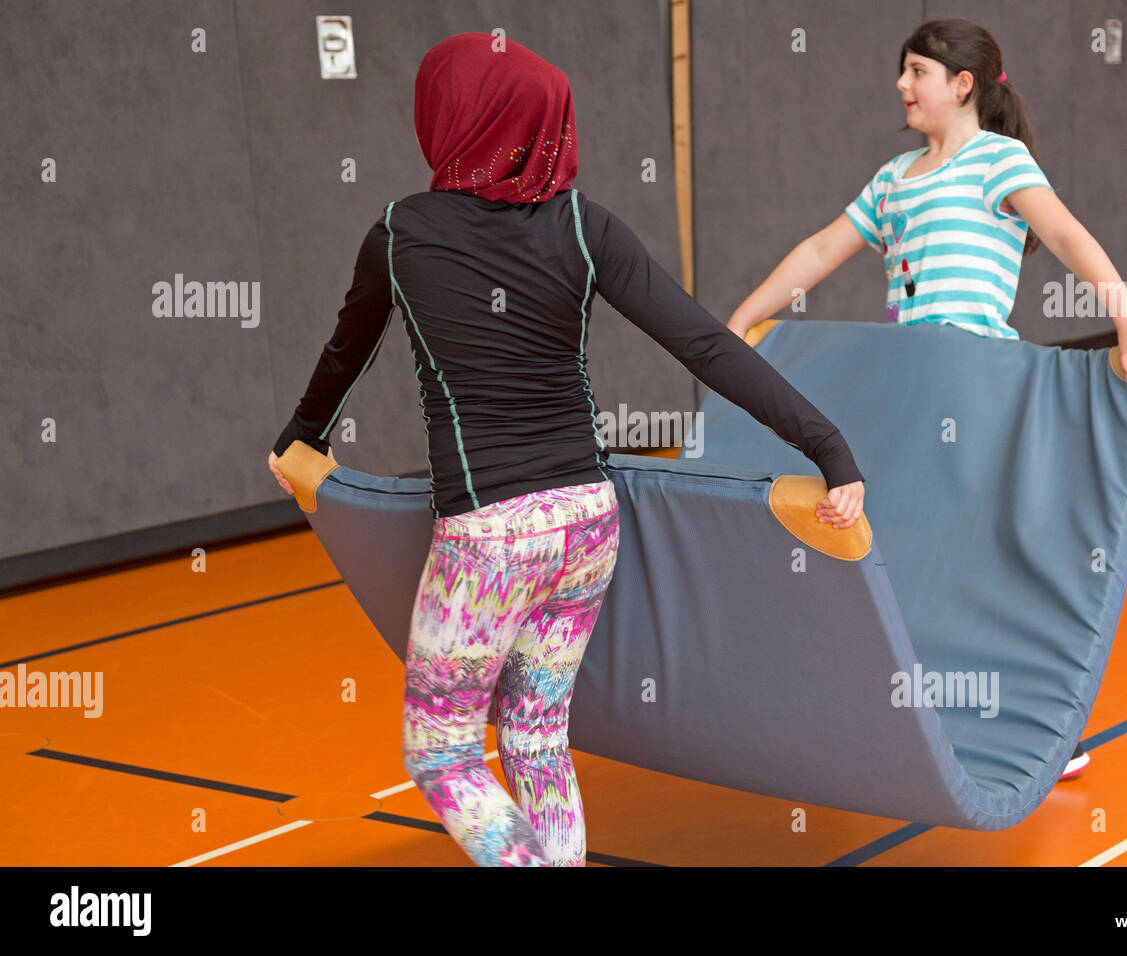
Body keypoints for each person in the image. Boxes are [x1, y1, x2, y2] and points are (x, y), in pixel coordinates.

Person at [266, 32, 865, 865]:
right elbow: (704, 345)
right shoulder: (585, 226)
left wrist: (301, 437)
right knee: (537, 739)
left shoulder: (400, 234)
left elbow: (347, 354)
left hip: (489, 542)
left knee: (439, 752)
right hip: (587, 525)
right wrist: (830, 448)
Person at [725, 18, 1127, 782]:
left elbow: (1064, 234)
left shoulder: (1000, 160)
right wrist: (741, 321)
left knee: (983, 564)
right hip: (908, 385)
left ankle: (1031, 733)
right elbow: (821, 248)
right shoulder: (893, 178)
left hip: (977, 389)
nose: (902, 86)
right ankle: (906, 719)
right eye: (901, 71)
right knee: (899, 553)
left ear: (962, 85)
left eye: (916, 72)